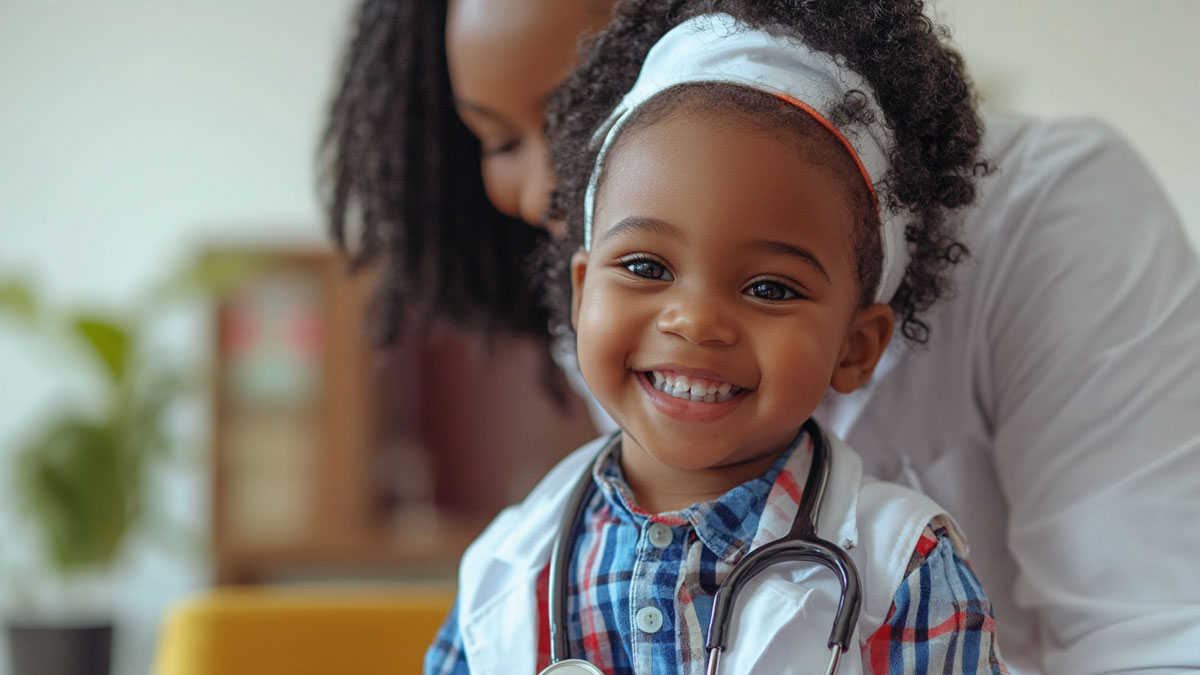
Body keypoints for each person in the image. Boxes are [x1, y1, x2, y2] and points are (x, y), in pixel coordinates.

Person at [321, 0, 1200, 672]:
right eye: (495, 138)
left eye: (575, 118)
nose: (553, 193)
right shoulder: (521, 551)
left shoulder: (911, 560)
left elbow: (1156, 637)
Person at [425, 9, 1008, 673]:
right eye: (646, 267)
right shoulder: (509, 568)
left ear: (856, 345)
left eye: (770, 288)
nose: (696, 321)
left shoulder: (908, 576)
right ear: (583, 291)